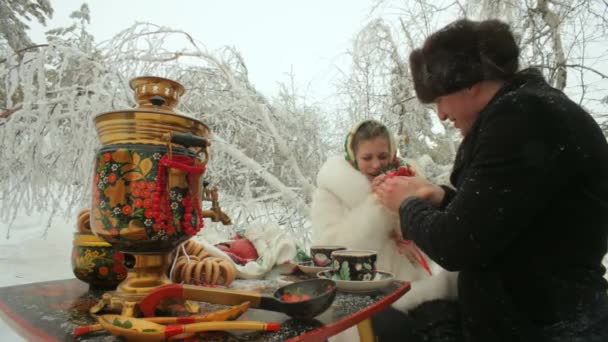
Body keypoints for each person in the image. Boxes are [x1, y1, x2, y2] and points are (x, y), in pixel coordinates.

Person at [374, 18, 608, 341]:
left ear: (469, 83)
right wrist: (441, 198)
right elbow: (509, 221)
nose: (441, 114)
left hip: (544, 327)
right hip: (526, 316)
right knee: (388, 320)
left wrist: (406, 204)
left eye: (440, 99)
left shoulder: (523, 118)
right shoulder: (527, 110)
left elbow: (458, 244)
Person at [311, 119, 459, 341]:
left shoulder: (410, 181)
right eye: (367, 158)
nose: (376, 165)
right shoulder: (330, 193)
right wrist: (378, 205)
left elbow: (431, 240)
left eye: (383, 156)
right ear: (353, 157)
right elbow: (331, 251)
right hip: (360, 296)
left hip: (414, 287)